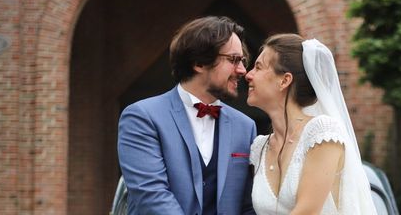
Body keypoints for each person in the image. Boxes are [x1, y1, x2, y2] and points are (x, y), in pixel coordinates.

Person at [117, 16, 257, 215]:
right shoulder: (142, 117)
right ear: (199, 63)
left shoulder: (245, 126)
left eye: (242, 61)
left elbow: (247, 205)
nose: (242, 70)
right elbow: (151, 195)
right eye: (233, 60)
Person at [245, 34, 377, 214]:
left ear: (284, 80)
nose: (248, 75)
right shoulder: (260, 147)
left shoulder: (322, 132)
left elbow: (306, 211)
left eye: (258, 68)